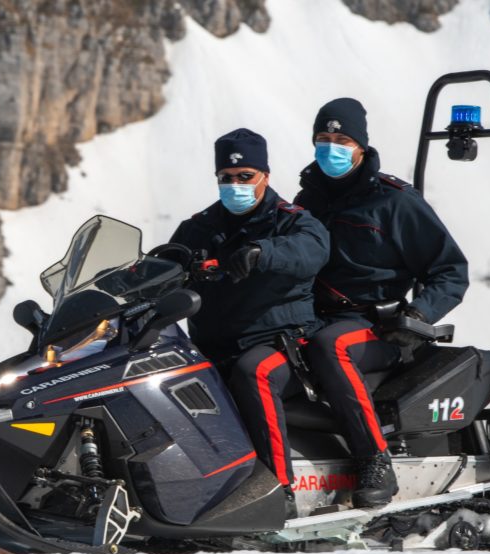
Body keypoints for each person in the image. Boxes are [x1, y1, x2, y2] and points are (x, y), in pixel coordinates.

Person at [294, 98, 469, 507]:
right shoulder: (307, 200)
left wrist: (419, 314)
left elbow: (450, 271)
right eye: (323, 139)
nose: (331, 148)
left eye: (342, 140)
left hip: (377, 329)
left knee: (331, 346)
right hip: (312, 319)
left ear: (360, 146)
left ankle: (375, 460)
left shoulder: (395, 201)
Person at [170, 128, 330, 518]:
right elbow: (162, 266)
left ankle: (279, 492)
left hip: (283, 347)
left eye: (245, 176)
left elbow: (312, 250)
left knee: (252, 372)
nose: (236, 185)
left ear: (265, 176)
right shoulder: (199, 227)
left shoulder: (291, 222)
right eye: (227, 177)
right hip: (214, 346)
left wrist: (262, 252)